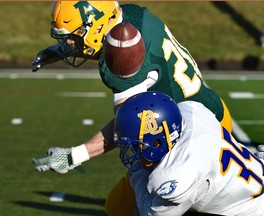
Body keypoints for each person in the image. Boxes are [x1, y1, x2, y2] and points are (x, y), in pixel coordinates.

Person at [31, 1, 234, 215]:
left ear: (97, 26)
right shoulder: (134, 15)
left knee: (123, 208)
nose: (70, 44)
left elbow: (127, 126)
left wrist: (74, 156)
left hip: (189, 140)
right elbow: (112, 43)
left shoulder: (121, 64)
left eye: (74, 36)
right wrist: (60, 50)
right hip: (214, 111)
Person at [112, 91, 264, 216]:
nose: (130, 150)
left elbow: (150, 213)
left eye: (135, 144)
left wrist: (137, 172)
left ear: (157, 142)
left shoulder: (178, 173)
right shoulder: (191, 113)